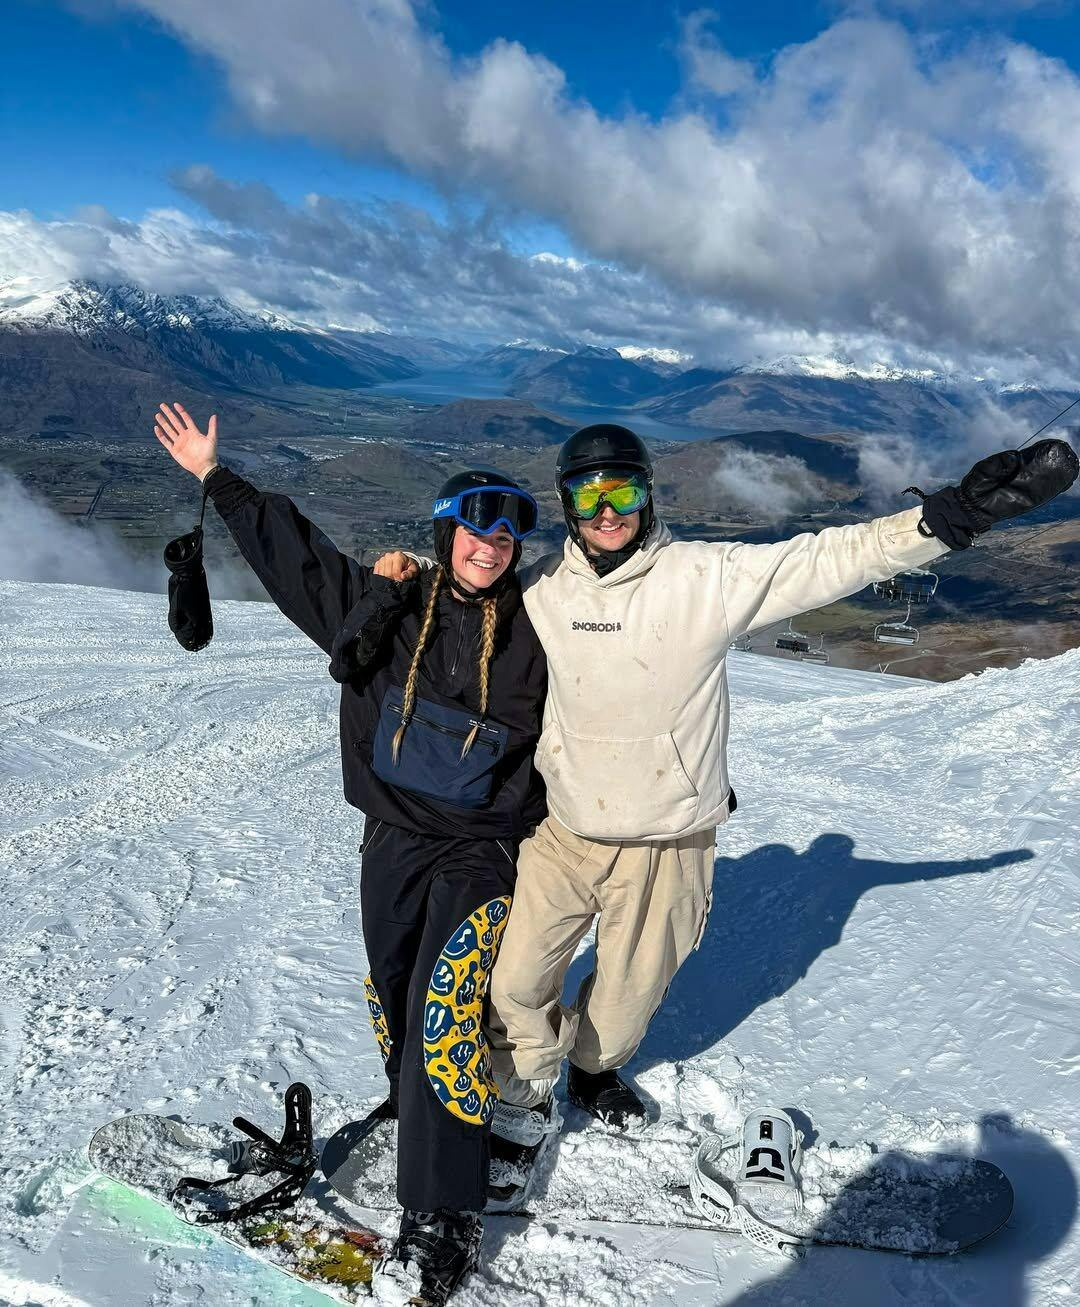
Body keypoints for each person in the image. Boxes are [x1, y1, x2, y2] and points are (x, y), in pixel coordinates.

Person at [377, 422, 1077, 1207]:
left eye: (623, 491)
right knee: (514, 985)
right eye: (589, 492)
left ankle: (593, 1070)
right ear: (567, 502)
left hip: (670, 841)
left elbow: (826, 559)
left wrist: (948, 518)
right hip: (563, 832)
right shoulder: (542, 590)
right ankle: (524, 1097)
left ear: (647, 494)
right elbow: (466, 594)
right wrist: (408, 575)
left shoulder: (702, 578)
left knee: (622, 1008)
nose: (607, 511)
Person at [152, 401, 547, 1305]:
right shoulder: (386, 610)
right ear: (446, 533)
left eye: (506, 534)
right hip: (393, 837)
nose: (491, 545)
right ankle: (417, 1107)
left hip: (480, 848)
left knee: (445, 1008)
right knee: (395, 989)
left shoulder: (540, 630)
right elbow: (293, 555)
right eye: (475, 528)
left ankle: (443, 1211)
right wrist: (215, 476)